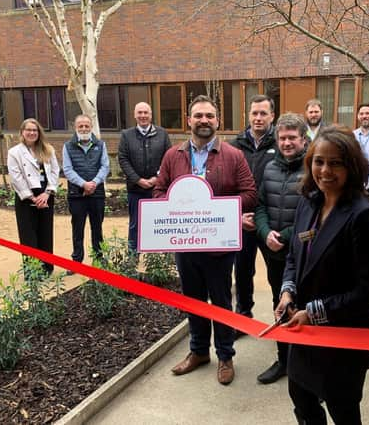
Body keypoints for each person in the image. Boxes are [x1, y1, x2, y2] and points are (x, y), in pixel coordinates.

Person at [275, 125, 369, 424]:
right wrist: (287, 291)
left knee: (344, 413)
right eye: (319, 161)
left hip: (342, 340)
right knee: (302, 402)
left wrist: (312, 313)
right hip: (303, 337)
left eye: (335, 162)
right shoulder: (308, 203)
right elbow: (293, 257)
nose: (325, 170)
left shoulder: (364, 217)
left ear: (352, 166)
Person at [154, 95, 257, 385]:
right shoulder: (173, 155)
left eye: (209, 116)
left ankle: (225, 356)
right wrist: (176, 205)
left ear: (218, 121)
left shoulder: (233, 155)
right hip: (185, 247)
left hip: (218, 248)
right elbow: (158, 192)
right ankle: (198, 352)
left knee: (221, 302)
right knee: (193, 301)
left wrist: (217, 210)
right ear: (189, 120)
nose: (204, 121)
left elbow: (250, 193)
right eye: (198, 115)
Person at [254, 113, 307, 384]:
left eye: (292, 138)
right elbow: (261, 205)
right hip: (274, 252)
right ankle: (284, 359)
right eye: (282, 138)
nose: (287, 143)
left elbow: (313, 213)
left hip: (304, 253)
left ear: (303, 139)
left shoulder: (313, 168)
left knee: (305, 306)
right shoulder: (270, 167)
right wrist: (265, 233)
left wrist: (284, 236)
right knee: (279, 303)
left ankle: (306, 363)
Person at [229, 94, 276, 324]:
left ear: (272, 116)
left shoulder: (281, 144)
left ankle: (282, 316)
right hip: (243, 221)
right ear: (248, 115)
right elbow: (226, 185)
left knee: (277, 273)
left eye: (263, 113)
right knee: (243, 272)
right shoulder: (234, 146)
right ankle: (243, 315)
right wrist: (236, 216)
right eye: (254, 113)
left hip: (271, 223)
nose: (258, 118)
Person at [8, 118, 60, 275]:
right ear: (22, 132)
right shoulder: (14, 152)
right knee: (28, 235)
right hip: (26, 197)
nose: (32, 133)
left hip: (46, 194)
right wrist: (32, 197)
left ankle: (47, 267)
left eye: (35, 130)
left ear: (39, 133)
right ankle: (32, 272)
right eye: (28, 130)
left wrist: (47, 193)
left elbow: (55, 171)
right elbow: (16, 177)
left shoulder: (47, 149)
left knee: (45, 232)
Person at [118, 102, 171, 251]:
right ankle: (133, 259)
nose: (143, 116)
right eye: (139, 113)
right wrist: (138, 180)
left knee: (160, 225)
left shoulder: (162, 134)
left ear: (151, 114)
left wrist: (157, 178)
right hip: (135, 189)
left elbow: (168, 158)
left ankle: (160, 259)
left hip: (158, 189)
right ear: (135, 115)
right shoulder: (126, 135)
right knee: (135, 225)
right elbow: (123, 159)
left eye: (145, 112)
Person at [62, 115, 109, 271]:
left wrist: (94, 183)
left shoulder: (101, 145)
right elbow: (67, 170)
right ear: (76, 128)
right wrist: (83, 184)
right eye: (80, 126)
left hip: (97, 194)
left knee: (97, 228)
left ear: (91, 127)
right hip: (77, 195)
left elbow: (105, 167)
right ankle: (76, 260)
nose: (83, 129)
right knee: (77, 228)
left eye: (86, 126)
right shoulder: (67, 146)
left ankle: (98, 259)